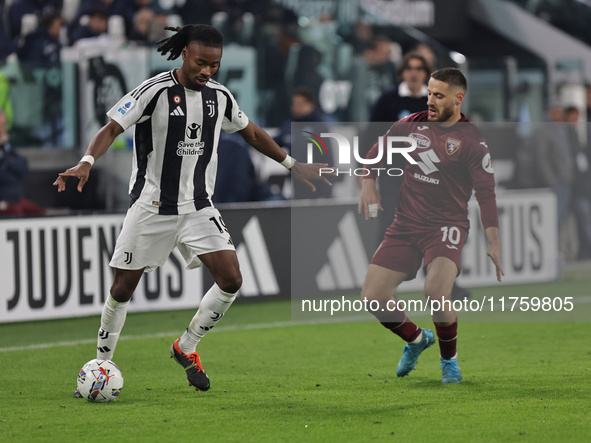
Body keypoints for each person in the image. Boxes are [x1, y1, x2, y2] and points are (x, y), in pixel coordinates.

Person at [53, 24, 331, 394]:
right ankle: (102, 362)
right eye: (201, 63)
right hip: (152, 206)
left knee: (231, 278)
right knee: (122, 288)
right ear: (185, 53)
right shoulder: (153, 91)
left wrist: (293, 165)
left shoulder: (220, 96)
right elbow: (112, 128)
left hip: (198, 206)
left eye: (214, 65)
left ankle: (186, 346)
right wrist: (87, 161)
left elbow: (251, 133)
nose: (207, 71)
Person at [358, 68, 504, 384]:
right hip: (405, 224)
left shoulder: (472, 140)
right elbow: (373, 155)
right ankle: (415, 339)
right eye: (429, 93)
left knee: (436, 292)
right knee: (372, 296)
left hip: (446, 226)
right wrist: (368, 182)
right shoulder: (411, 125)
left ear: (458, 98)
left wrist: (494, 241)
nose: (431, 101)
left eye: (438, 95)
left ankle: (449, 361)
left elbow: (486, 194)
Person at [369, 53, 471, 301]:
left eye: (419, 68)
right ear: (402, 73)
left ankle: (445, 286)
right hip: (396, 177)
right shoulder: (387, 101)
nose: (413, 73)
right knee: (389, 227)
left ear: (426, 74)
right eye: (409, 68)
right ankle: (381, 286)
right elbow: (369, 136)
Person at [0, 111, 46, 216]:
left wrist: (4, 155)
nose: (2, 129)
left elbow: (22, 168)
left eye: (3, 125)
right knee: (15, 211)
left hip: (14, 198)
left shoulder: (6, 148)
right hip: (4, 200)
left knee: (39, 213)